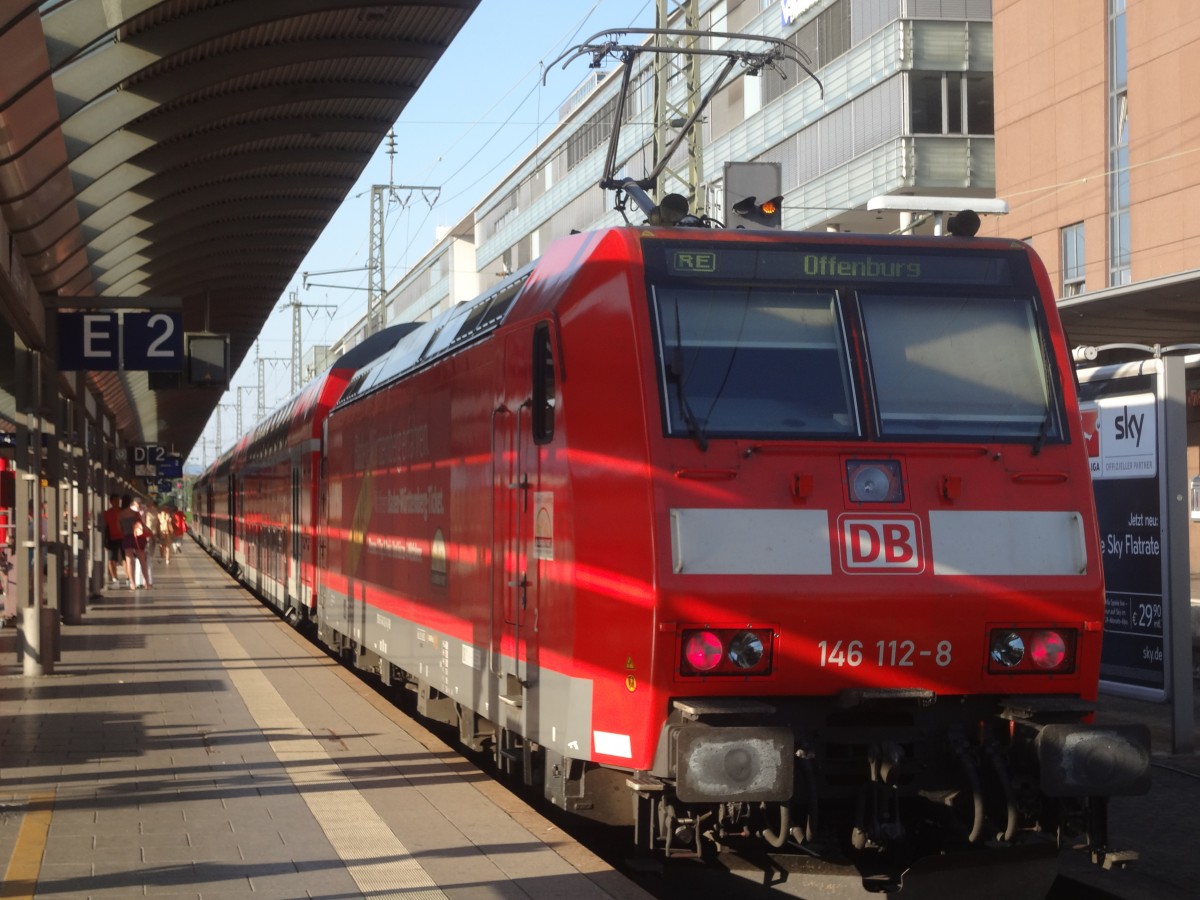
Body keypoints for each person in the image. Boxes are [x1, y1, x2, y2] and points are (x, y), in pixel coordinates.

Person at [117, 495, 152, 590]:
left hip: (127, 537)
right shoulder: (135, 514)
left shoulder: (121, 514)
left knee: (129, 560)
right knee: (142, 560)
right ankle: (147, 583)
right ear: (131, 503)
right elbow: (142, 525)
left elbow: (119, 528)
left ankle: (132, 583)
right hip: (138, 538)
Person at [101, 494, 125, 586]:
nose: (117, 502)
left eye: (118, 500)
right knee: (111, 559)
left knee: (125, 559)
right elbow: (104, 526)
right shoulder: (107, 513)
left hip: (122, 537)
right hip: (111, 538)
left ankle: (128, 577)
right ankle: (115, 578)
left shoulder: (122, 512)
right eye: (115, 501)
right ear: (111, 502)